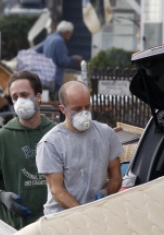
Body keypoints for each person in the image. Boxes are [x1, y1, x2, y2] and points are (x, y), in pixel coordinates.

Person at [0, 70, 57, 230]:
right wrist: (1, 195)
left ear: (38, 97)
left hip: (52, 227)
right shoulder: (2, 138)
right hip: (13, 229)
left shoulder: (56, 135)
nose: (20, 101)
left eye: (25, 95)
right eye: (15, 97)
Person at [36, 81, 123, 215]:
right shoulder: (51, 143)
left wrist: (106, 191)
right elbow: (57, 191)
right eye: (77, 109)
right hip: (61, 218)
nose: (84, 113)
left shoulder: (106, 134)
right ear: (63, 109)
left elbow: (116, 176)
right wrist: (84, 214)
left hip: (97, 213)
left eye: (87, 107)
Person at [35, 20, 82, 99]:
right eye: (70, 33)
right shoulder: (59, 41)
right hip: (55, 78)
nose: (70, 35)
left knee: (45, 101)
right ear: (66, 32)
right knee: (56, 101)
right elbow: (63, 61)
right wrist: (75, 58)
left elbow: (36, 51)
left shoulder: (49, 38)